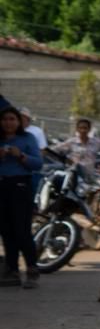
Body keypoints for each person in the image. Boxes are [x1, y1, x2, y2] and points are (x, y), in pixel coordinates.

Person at [0, 105, 43, 288]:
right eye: (5, 119)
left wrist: (21, 156)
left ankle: (32, 268)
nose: (8, 123)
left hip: (20, 186)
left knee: (21, 229)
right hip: (2, 186)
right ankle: (12, 270)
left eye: (12, 119)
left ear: (18, 122)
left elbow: (38, 164)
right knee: (6, 231)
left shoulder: (27, 139)